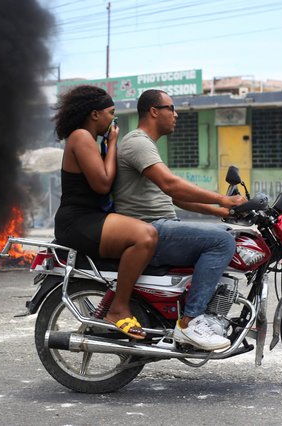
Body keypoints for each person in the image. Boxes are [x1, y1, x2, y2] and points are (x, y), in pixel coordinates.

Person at [114, 89, 246, 351]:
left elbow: (176, 199)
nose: (175, 115)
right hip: (149, 229)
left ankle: (204, 313)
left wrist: (224, 212)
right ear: (154, 111)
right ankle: (190, 322)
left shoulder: (147, 145)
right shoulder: (138, 142)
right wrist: (223, 199)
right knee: (221, 242)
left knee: (229, 234)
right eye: (170, 108)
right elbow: (172, 186)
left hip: (160, 224)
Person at [53, 85, 158, 339]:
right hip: (78, 221)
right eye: (111, 113)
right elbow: (102, 183)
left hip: (90, 218)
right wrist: (112, 144)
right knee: (145, 236)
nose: (113, 119)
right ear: (95, 114)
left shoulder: (87, 138)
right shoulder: (81, 137)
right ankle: (118, 308)